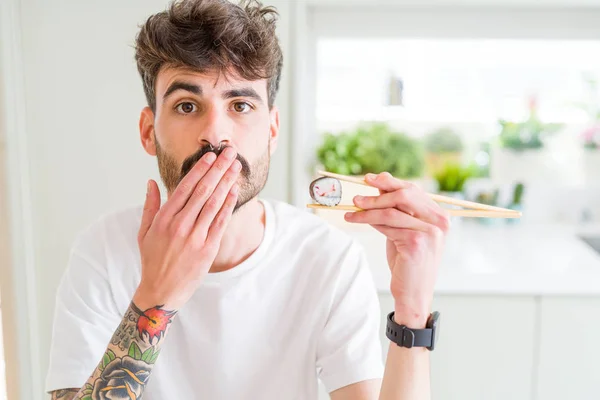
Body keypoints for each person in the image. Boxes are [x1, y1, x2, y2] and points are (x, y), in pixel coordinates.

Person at [45, 0, 449, 399]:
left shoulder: (327, 259)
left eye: (240, 105)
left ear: (272, 130)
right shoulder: (102, 253)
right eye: (187, 106)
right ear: (149, 132)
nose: (216, 135)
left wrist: (413, 313)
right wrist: (156, 294)